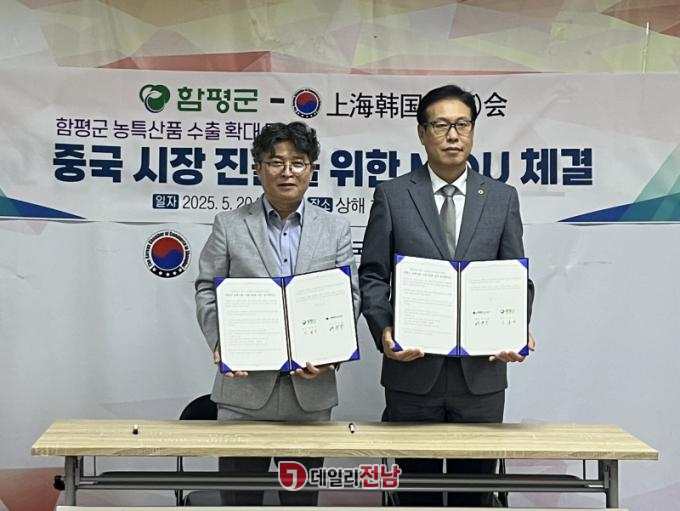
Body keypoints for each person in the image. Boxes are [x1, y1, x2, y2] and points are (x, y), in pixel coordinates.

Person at [359, 84, 535, 507]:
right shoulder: (393, 195)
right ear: (422, 133)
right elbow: (373, 276)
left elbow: (515, 277)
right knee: (413, 494)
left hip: (481, 376)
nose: (453, 135)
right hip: (412, 374)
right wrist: (384, 331)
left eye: (462, 124)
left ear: (473, 131)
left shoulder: (501, 198)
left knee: (473, 495)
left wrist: (516, 328)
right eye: (441, 125)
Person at [195, 121, 360, 506]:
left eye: (297, 162)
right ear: (258, 168)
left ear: (311, 169)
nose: (287, 171)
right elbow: (207, 289)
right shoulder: (230, 225)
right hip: (243, 395)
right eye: (275, 162)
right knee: (240, 501)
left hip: (311, 394)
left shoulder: (335, 228)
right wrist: (222, 342)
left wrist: (331, 352)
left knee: (301, 502)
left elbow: (348, 296)